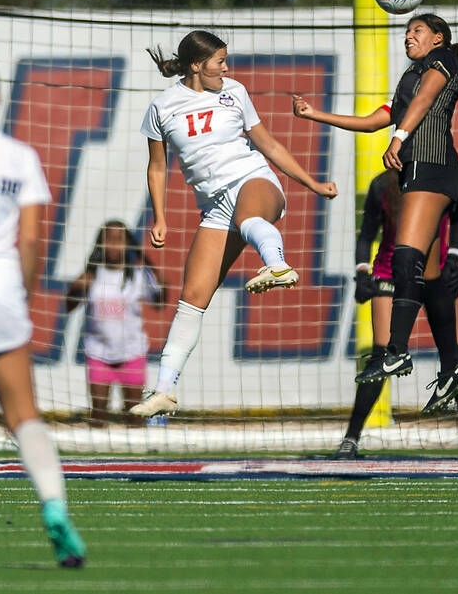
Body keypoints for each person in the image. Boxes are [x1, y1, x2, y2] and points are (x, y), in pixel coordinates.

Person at [130, 30, 338, 418]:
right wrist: (159, 215)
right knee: (192, 297)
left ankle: (277, 264)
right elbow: (157, 167)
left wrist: (312, 183)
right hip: (213, 206)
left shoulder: (234, 92)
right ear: (196, 66)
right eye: (219, 62)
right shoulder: (162, 107)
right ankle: (164, 390)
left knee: (249, 217)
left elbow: (269, 145)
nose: (227, 68)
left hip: (253, 180)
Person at [291, 13, 458, 405]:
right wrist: (315, 114)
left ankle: (396, 352)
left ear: (438, 38)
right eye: (406, 31)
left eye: (417, 31)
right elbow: (372, 120)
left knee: (405, 256)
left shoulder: (440, 60)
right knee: (422, 269)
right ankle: (451, 368)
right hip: (421, 170)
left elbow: (426, 101)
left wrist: (399, 138)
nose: (408, 36)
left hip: (432, 166)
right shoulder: (411, 75)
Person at [0, 54, 85, 566]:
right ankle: (55, 511)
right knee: (24, 416)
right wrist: (20, 296)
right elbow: (30, 241)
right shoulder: (19, 156)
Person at [329, 170, 458, 460]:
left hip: (435, 274)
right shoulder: (382, 184)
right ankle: (351, 439)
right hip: (390, 274)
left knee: (455, 356)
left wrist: (454, 257)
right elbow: (366, 235)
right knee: (382, 356)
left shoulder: (443, 179)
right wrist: (361, 273)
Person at [65, 220, 166, 426]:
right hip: (98, 353)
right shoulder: (92, 275)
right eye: (108, 239)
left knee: (135, 416)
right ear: (100, 244)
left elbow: (160, 303)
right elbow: (69, 307)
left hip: (132, 352)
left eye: (119, 240)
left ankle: (135, 458)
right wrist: (75, 290)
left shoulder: (138, 275)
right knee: (98, 415)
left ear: (128, 244)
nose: (114, 245)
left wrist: (158, 277)